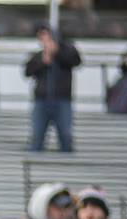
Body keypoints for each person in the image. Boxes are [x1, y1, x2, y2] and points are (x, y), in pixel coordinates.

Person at [26, 24, 81, 152]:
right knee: (37, 137)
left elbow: (75, 61)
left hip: (62, 100)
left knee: (65, 136)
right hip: (41, 100)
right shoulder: (38, 56)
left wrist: (57, 52)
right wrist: (43, 61)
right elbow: (28, 71)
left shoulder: (67, 51)